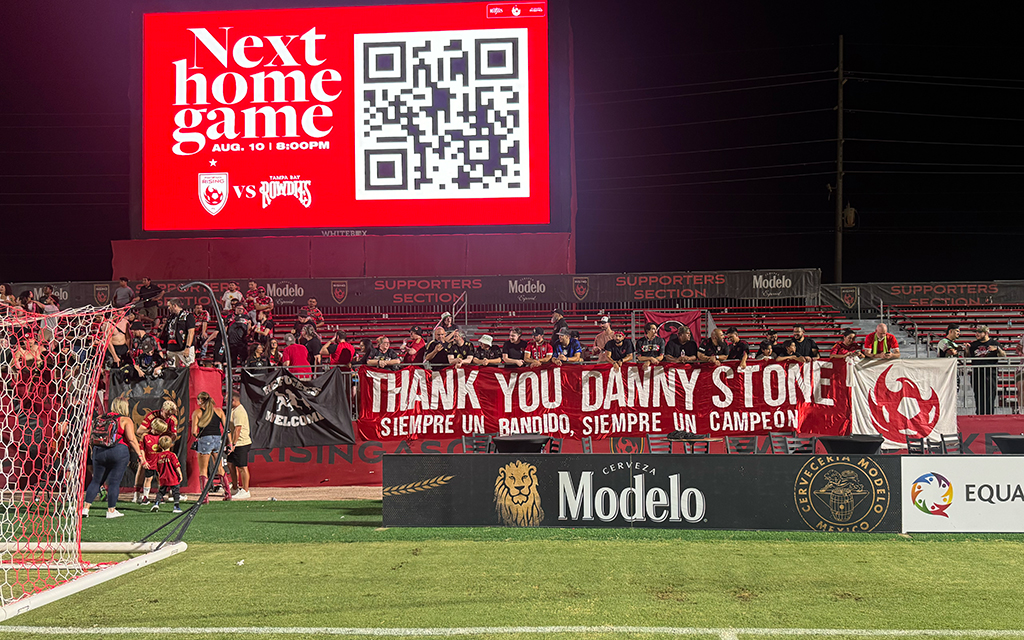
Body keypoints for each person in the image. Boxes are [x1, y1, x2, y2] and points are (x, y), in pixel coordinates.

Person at [82, 396, 147, 519]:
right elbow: (132, 440)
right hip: (118, 451)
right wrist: (140, 455)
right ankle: (111, 510)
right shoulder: (125, 420)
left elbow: (92, 436)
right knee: (114, 482)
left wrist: (92, 452)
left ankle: (85, 508)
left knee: (96, 480)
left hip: (99, 451)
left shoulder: (100, 418)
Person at [191, 391, 229, 503]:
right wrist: (230, 442)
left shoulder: (197, 412)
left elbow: (194, 431)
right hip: (217, 439)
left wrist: (198, 436)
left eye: (198, 400)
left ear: (201, 400)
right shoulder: (218, 411)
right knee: (219, 467)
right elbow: (226, 427)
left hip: (205, 439)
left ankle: (205, 497)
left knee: (203, 470)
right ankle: (228, 493)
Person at [969, 325, 1005, 415]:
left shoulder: (994, 343)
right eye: (976, 332)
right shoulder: (974, 344)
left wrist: (997, 349)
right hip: (977, 373)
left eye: (979, 332)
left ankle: (989, 415)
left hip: (990, 373)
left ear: (986, 333)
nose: (977, 334)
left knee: (990, 395)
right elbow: (967, 356)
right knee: (978, 395)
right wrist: (966, 349)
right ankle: (979, 414)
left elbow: (1003, 356)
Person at [134, 417, 168, 505]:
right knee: (148, 478)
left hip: (159, 462)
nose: (159, 433)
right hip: (149, 462)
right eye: (158, 431)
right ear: (153, 428)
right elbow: (141, 449)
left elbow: (166, 449)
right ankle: (145, 497)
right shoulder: (145, 436)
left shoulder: (162, 437)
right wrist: (144, 461)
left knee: (160, 478)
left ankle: (160, 496)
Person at [227, 394, 252, 500]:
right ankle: (235, 487)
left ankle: (246, 490)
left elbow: (238, 429)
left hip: (241, 443)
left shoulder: (239, 411)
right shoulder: (233, 410)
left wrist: (233, 444)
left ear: (233, 400)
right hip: (234, 443)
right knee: (230, 464)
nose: (226, 402)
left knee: (242, 467)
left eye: (227, 400)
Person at [150, 435, 183, 513]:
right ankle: (176, 507)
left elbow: (157, 468)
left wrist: (159, 475)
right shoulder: (172, 455)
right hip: (172, 477)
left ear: (160, 446)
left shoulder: (158, 456)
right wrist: (180, 474)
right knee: (176, 492)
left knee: (161, 492)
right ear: (171, 445)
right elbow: (177, 466)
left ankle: (156, 503)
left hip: (163, 477)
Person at [164, 299, 196, 367]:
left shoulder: (188, 316)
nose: (168, 308)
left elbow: (191, 332)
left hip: (184, 348)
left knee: (190, 368)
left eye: (169, 306)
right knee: (172, 370)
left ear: (175, 305)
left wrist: (187, 347)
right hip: (172, 348)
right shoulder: (170, 318)